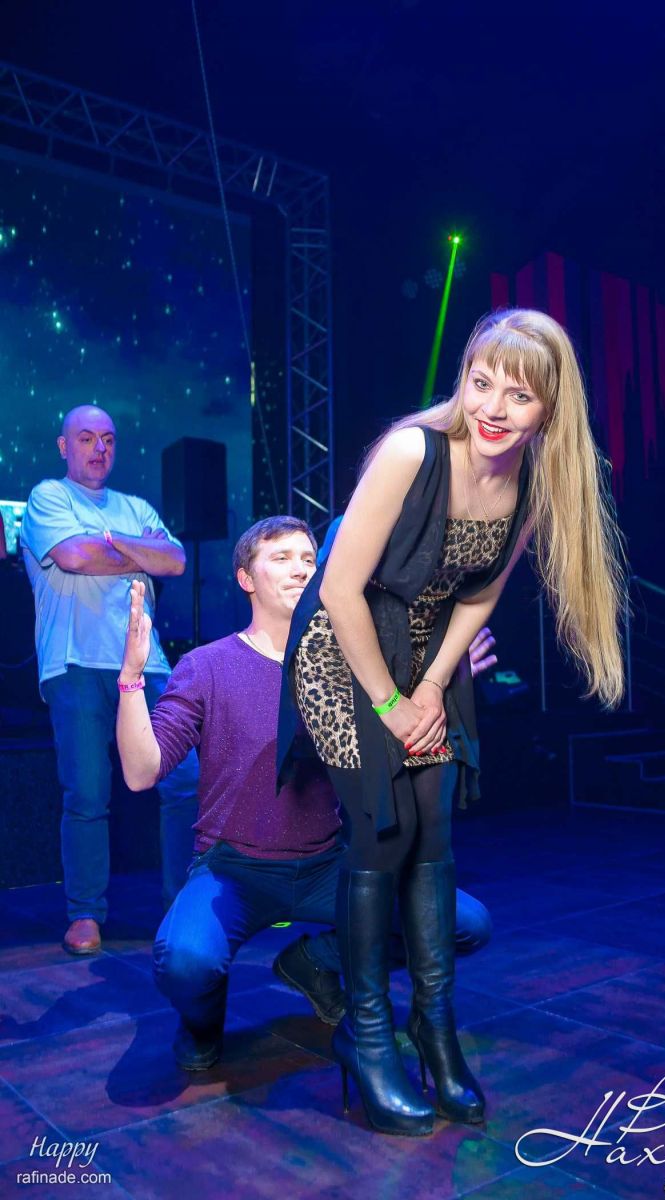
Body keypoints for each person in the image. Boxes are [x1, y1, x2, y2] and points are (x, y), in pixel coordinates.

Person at [281, 308, 625, 1136]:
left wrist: (434, 684)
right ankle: (367, 1037)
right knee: (385, 831)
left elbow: (480, 593)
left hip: (427, 654)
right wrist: (391, 703)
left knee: (433, 831)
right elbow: (339, 590)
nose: (494, 408)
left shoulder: (532, 484)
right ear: (463, 379)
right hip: (342, 649)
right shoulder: (413, 451)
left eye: (519, 395)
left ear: (549, 409)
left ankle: (434, 1032)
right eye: (481, 383)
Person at [115, 516, 493, 1070]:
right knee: (186, 962)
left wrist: (443, 687)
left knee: (466, 924)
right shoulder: (208, 666)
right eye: (281, 558)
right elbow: (141, 772)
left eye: (309, 560)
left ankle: (316, 962)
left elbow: (400, 739)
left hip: (328, 865)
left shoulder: (353, 666)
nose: (300, 570)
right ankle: (202, 1022)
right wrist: (131, 678)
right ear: (246, 578)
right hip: (235, 869)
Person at [20, 405, 199, 956]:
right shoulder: (48, 497)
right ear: (64, 446)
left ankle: (183, 908)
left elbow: (175, 560)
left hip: (147, 664)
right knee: (87, 792)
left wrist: (110, 540)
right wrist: (136, 550)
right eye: (86, 438)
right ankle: (85, 914)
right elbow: (74, 556)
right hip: (74, 662)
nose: (99, 448)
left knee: (183, 779)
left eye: (108, 439)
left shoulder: (135, 506)